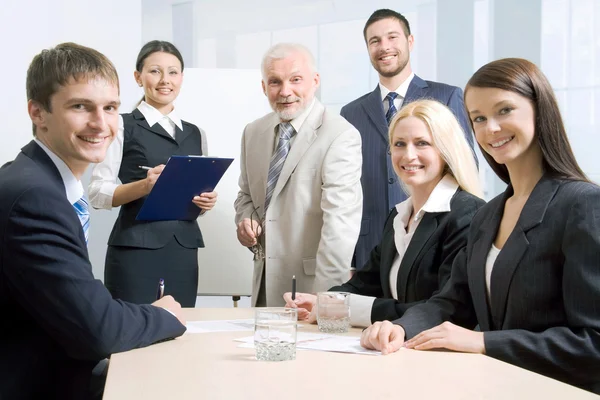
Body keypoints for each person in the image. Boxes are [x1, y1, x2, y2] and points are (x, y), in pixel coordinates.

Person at [360, 58, 600, 394]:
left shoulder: (583, 204)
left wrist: (485, 342)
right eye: (479, 118)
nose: (491, 129)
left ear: (539, 110)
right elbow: (452, 301)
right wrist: (400, 328)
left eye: (504, 110)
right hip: (494, 387)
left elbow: (593, 343)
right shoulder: (490, 215)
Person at [0, 42, 186, 400]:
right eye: (81, 106)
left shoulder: (40, 181)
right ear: (37, 112)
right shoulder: (34, 198)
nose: (101, 124)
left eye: (111, 108)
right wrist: (163, 315)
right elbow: (98, 330)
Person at [284, 100, 484, 326]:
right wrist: (324, 301)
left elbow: (450, 310)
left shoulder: (467, 214)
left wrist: (349, 309)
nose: (408, 155)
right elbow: (365, 284)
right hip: (398, 350)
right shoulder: (399, 216)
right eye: (399, 144)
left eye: (422, 143)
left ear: (445, 149)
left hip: (442, 355)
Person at [341, 9, 477, 272]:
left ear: (410, 41)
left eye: (392, 37)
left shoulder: (446, 97)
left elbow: (464, 167)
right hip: (370, 242)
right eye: (375, 41)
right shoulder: (350, 113)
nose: (384, 47)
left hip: (435, 236)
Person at [89, 40, 217, 307]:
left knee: (180, 329)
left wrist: (205, 203)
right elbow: (97, 193)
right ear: (138, 77)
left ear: (182, 78)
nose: (165, 80)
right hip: (135, 250)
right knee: (131, 334)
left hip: (183, 250)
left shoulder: (196, 133)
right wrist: (144, 186)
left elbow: (192, 198)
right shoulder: (122, 126)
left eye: (173, 72)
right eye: (155, 71)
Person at [234, 43, 363, 307]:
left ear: (315, 81)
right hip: (262, 286)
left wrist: (326, 301)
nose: (285, 91)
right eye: (275, 82)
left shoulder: (340, 135)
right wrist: (245, 219)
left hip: (311, 290)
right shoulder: (253, 132)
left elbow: (340, 228)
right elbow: (246, 195)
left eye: (295, 80)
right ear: (263, 87)